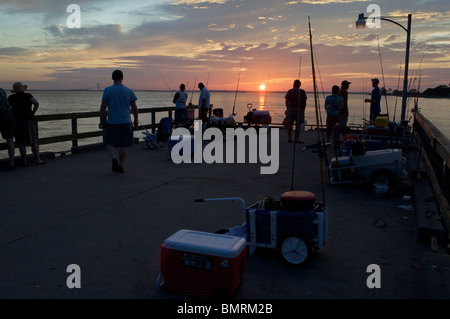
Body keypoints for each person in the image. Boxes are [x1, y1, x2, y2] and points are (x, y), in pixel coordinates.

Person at [99, 70, 139, 174]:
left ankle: (114, 158)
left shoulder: (107, 90)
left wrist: (102, 120)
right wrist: (135, 120)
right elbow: (134, 107)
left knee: (110, 142)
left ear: (112, 77)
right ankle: (121, 165)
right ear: (122, 77)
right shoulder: (129, 91)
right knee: (124, 145)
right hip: (126, 121)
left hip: (112, 122)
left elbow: (103, 107)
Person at [8, 82, 45, 166]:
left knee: (21, 143)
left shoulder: (11, 98)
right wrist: (33, 112)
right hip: (27, 120)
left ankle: (24, 161)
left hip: (17, 121)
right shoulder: (27, 96)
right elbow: (36, 103)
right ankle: (37, 159)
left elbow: (8, 108)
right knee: (33, 142)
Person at [284, 79, 307, 143]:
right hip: (299, 109)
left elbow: (286, 100)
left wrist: (288, 108)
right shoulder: (302, 91)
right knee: (298, 125)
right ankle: (297, 138)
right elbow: (304, 102)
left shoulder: (290, 91)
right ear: (299, 85)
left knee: (290, 124)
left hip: (290, 109)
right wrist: (303, 109)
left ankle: (289, 138)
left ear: (293, 84)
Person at [0, 88, 15, 170]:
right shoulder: (2, 90)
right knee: (10, 140)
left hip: (1, 115)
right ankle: (11, 163)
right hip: (9, 115)